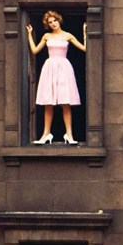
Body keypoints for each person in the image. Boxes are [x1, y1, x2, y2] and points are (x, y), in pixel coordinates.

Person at [26, 9, 85, 144]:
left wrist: (85, 33)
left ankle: (69, 135)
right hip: (50, 68)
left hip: (63, 68)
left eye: (55, 20)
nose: (53, 24)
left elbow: (85, 48)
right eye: (50, 22)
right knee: (48, 103)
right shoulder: (47, 36)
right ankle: (46, 134)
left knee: (66, 103)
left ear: (59, 20)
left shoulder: (68, 35)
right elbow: (35, 50)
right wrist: (29, 34)